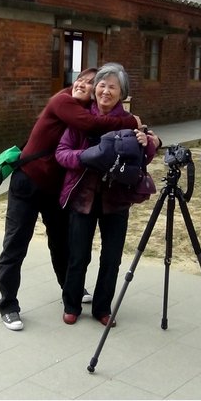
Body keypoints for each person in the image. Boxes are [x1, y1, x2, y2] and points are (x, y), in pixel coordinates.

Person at [0, 67, 143, 331]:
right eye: (81, 80)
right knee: (16, 244)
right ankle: (8, 305)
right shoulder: (63, 100)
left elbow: (123, 132)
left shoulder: (88, 108)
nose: (82, 85)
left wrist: (149, 136)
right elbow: (91, 125)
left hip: (55, 190)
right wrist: (132, 121)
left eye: (89, 83)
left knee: (61, 243)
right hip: (28, 182)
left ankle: (70, 290)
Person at [55, 63, 161, 326]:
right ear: (95, 90)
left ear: (121, 93)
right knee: (78, 254)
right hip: (83, 197)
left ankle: (102, 308)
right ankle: (71, 304)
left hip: (116, 200)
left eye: (112, 87)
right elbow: (61, 153)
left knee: (111, 257)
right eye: (101, 85)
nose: (105, 91)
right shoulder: (81, 120)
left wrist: (147, 145)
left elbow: (143, 158)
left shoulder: (130, 122)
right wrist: (87, 156)